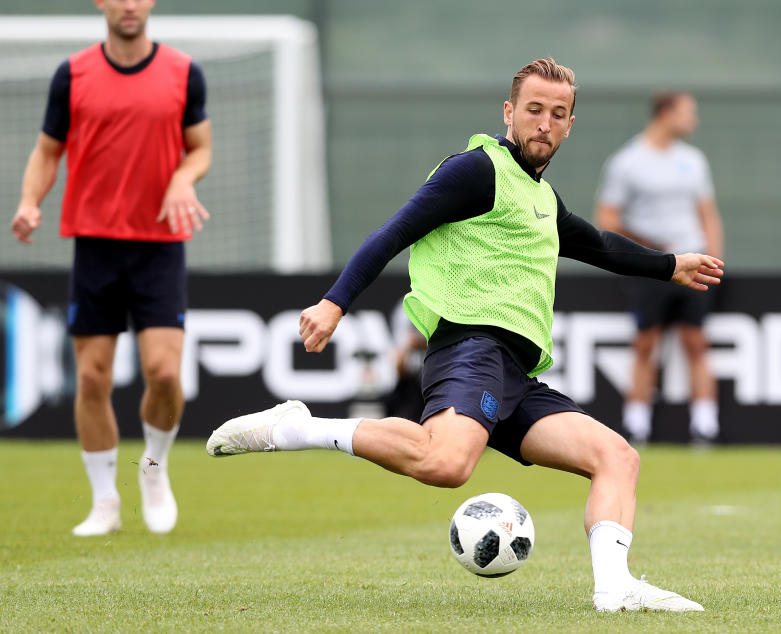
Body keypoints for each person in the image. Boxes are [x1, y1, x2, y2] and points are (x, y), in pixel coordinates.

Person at [207, 58, 722, 613]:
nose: (544, 124)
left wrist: (670, 265)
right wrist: (335, 302)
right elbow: (394, 232)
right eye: (533, 110)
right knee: (446, 465)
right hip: (471, 349)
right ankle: (297, 428)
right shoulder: (476, 171)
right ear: (509, 112)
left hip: (516, 377)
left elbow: (598, 244)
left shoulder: (541, 199)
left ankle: (615, 589)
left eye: (558, 114)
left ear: (571, 123)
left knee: (617, 456)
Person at [10, 0, 211, 536]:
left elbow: (200, 150)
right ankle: (104, 502)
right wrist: (31, 201)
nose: (128, 5)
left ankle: (153, 467)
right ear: (101, 2)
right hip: (95, 246)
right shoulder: (72, 74)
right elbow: (48, 151)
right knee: (93, 376)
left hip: (160, 245)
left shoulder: (182, 71)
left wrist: (182, 180)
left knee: (164, 372)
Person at [594, 92, 724, 444]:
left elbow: (707, 213)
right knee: (645, 343)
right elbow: (606, 218)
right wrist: (651, 248)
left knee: (696, 341)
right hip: (651, 268)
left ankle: (705, 425)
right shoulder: (627, 162)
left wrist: (714, 256)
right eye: (687, 112)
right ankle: (636, 424)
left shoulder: (693, 160)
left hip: (694, 262)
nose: (692, 120)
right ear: (666, 114)